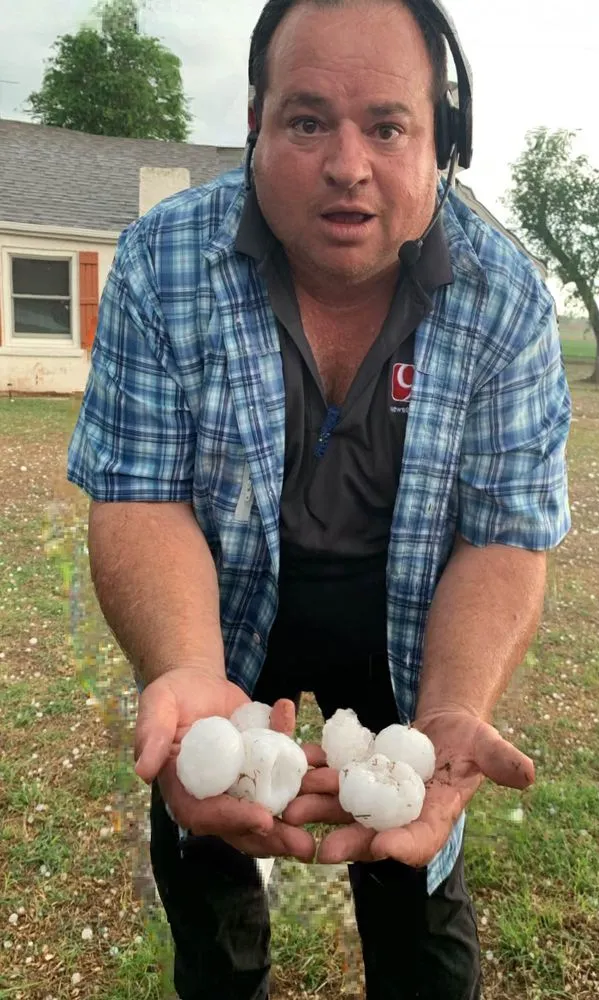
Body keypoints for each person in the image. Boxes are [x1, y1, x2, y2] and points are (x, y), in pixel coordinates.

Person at [67, 0, 571, 997]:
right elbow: (141, 497)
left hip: (408, 632)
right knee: (208, 862)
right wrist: (185, 670)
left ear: (443, 143)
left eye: (387, 126)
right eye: (307, 121)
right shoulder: (161, 267)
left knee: (421, 917)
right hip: (218, 625)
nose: (349, 162)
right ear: (254, 124)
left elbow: (504, 535)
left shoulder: (506, 298)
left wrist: (455, 705)